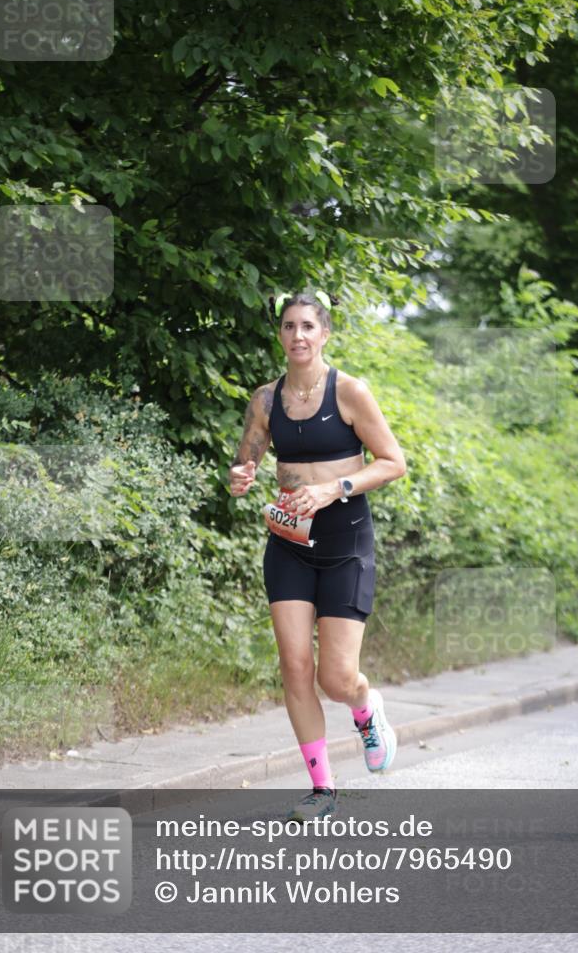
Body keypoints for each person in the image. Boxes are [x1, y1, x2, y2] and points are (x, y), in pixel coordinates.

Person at [229, 289, 406, 821]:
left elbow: (393, 462)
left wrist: (337, 488)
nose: (298, 336)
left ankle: (365, 706)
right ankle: (322, 789)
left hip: (344, 540)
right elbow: (247, 461)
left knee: (335, 677)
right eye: (289, 327)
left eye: (308, 326)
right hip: (288, 542)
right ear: (280, 335)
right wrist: (241, 477)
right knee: (294, 667)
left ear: (324, 333)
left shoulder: (350, 392)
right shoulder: (265, 399)